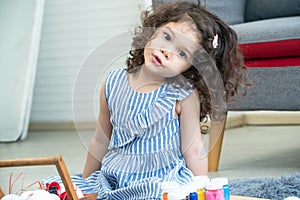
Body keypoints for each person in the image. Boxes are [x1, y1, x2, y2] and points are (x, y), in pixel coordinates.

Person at [44, 1, 250, 199]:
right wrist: (86, 184)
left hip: (159, 181)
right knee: (57, 187)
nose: (166, 51)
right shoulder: (113, 83)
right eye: (167, 37)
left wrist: (201, 188)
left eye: (181, 53)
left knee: (157, 194)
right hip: (114, 178)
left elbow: (194, 150)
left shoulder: (183, 94)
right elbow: (100, 139)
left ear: (191, 67)